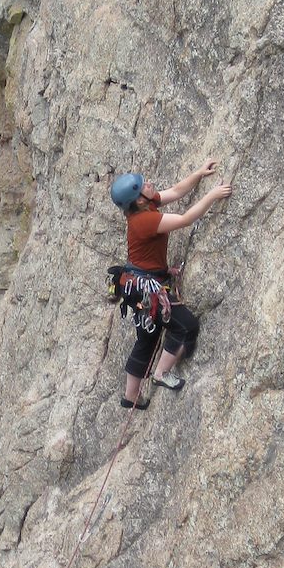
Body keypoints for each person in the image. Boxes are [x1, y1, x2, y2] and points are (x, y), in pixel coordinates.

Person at [110, 161, 232, 407]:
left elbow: (176, 191)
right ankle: (161, 374)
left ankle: (130, 397)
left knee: (147, 339)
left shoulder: (145, 205)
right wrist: (212, 195)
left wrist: (198, 174)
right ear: (139, 200)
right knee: (185, 326)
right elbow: (185, 219)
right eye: (143, 185)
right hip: (145, 288)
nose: (149, 183)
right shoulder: (144, 221)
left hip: (138, 283)